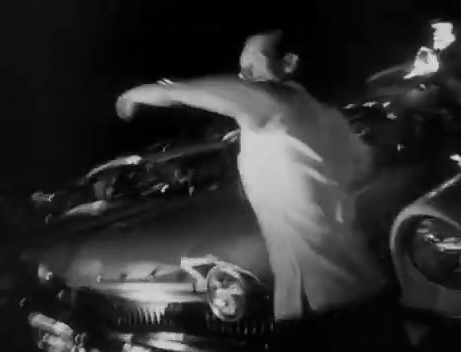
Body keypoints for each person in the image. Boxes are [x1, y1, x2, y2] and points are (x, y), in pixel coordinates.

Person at [115, 30, 409, 351]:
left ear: (289, 64)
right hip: (369, 297)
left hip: (325, 312)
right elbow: (362, 172)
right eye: (242, 69)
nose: (245, 77)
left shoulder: (282, 105)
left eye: (253, 67)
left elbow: (213, 93)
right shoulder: (331, 120)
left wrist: (140, 94)